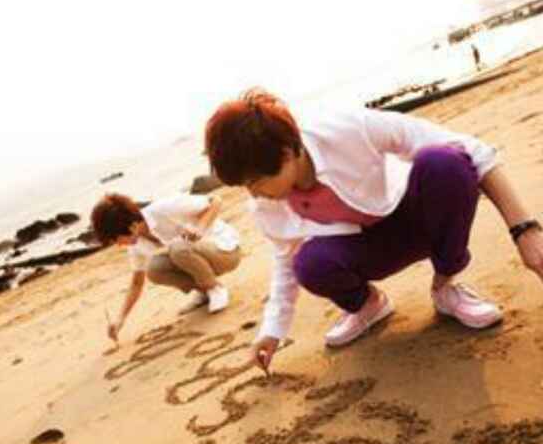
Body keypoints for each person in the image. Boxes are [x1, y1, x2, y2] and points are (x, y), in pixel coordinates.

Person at [204, 89, 543, 371]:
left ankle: (445, 287)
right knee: (308, 264)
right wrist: (272, 331)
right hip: (370, 248)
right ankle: (369, 305)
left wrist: (524, 231)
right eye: (244, 185)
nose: (253, 193)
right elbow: (283, 261)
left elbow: (474, 150)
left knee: (444, 163)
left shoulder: (345, 127)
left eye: (256, 180)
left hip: (420, 217)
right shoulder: (267, 205)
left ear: (287, 152)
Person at [91, 192, 241, 343]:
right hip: (198, 259)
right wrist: (120, 320)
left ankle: (214, 288)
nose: (119, 245)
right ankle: (205, 291)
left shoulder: (163, 209)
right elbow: (136, 283)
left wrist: (199, 228)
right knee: (154, 269)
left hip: (225, 251)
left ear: (132, 226)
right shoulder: (136, 245)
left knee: (178, 247)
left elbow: (215, 200)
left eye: (117, 239)